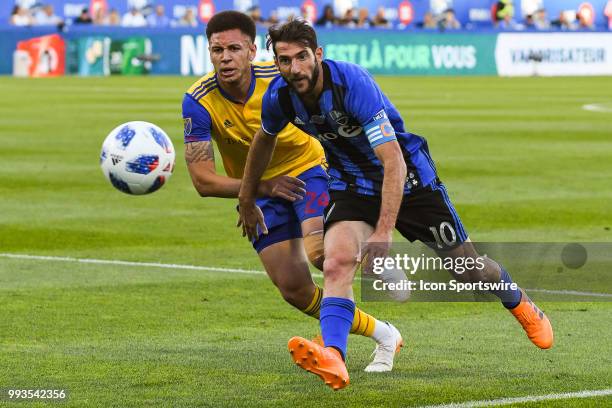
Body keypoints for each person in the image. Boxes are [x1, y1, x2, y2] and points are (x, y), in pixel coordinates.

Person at [238, 18, 554, 390]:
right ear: (276, 62)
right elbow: (264, 139)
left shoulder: (351, 84)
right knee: (336, 261)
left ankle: (517, 299)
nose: (295, 68)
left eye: (302, 57)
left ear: (318, 54)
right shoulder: (280, 96)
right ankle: (334, 358)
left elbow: (394, 162)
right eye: (285, 60)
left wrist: (384, 233)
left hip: (412, 182)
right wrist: (246, 196)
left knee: (467, 270)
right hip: (353, 184)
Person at [182, 11, 404, 374]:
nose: (225, 57)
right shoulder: (198, 101)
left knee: (321, 254)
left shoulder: (281, 77)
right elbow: (203, 181)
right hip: (258, 191)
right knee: (295, 289)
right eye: (216, 49)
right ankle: (384, 334)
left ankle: (372, 269)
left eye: (234, 48)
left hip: (309, 171)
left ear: (252, 50)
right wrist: (253, 193)